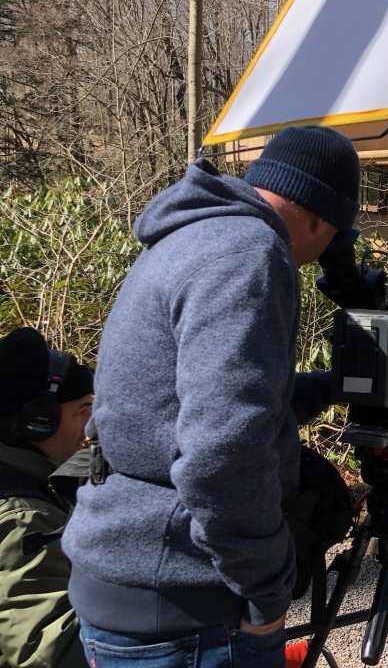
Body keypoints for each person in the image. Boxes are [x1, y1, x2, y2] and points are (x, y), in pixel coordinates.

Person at [62, 125, 361, 667]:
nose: (317, 258)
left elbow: (175, 410)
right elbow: (224, 451)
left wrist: (327, 387)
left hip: (126, 575)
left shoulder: (191, 235)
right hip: (183, 602)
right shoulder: (252, 253)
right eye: (330, 242)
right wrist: (268, 589)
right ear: (318, 218)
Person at [0, 326, 94, 668]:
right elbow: (49, 651)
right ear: (38, 422)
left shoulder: (24, 479)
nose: (91, 427)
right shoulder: (21, 515)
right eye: (82, 410)